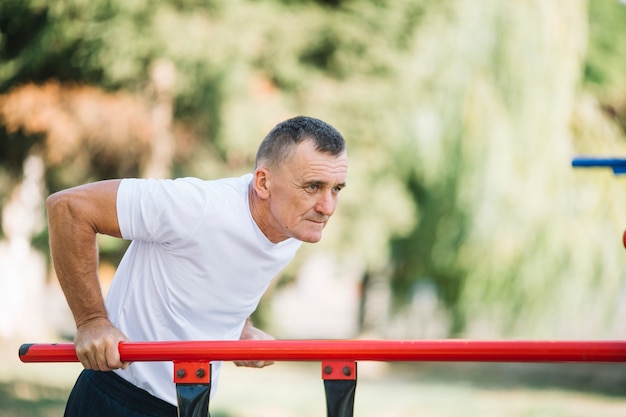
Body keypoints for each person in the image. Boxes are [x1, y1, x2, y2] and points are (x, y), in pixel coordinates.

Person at [46, 115, 348, 416]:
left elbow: (221, 270)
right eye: (312, 186)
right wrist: (92, 322)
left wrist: (241, 329)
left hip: (192, 402)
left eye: (336, 189)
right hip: (119, 397)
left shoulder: (293, 227)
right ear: (264, 182)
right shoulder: (196, 206)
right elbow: (69, 208)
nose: (327, 207)